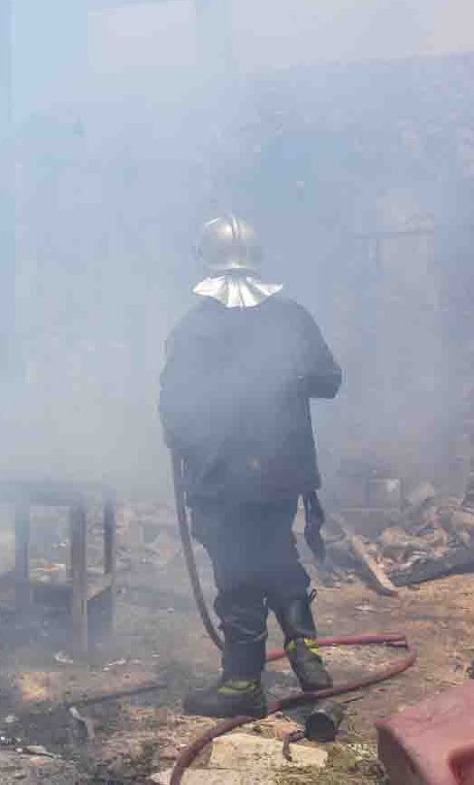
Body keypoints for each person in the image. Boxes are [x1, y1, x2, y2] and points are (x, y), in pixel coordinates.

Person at [158, 213, 342, 718]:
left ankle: (241, 685)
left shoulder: (194, 327)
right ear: (257, 259)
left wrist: (184, 442)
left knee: (237, 570)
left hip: (222, 477)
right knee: (276, 551)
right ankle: (306, 653)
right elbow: (328, 380)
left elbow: (174, 408)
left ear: (205, 261)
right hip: (282, 471)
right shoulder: (292, 317)